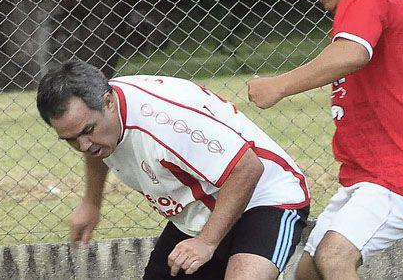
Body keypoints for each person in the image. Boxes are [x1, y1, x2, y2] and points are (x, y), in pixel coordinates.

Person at [247, 0, 403, 280]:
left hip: (401, 170)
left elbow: (352, 54)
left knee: (335, 257)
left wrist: (279, 85)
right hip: (372, 173)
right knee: (308, 271)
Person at [37, 60, 310, 279]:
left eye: (87, 131)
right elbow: (95, 147)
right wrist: (91, 203)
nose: (83, 145)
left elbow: (248, 168)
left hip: (266, 198)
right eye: (70, 139)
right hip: (201, 208)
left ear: (108, 102)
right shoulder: (100, 121)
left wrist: (206, 242)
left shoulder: (165, 122)